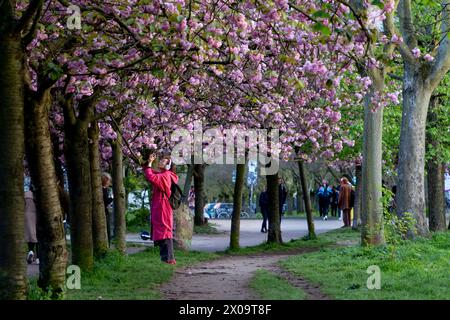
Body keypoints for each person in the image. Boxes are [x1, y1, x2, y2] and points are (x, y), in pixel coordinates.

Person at [143, 152, 179, 265]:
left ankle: (169, 259)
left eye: (163, 161)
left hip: (163, 206)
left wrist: (149, 163)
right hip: (161, 205)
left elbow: (152, 176)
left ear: (168, 165)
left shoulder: (166, 175)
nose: (160, 161)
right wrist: (147, 163)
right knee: (163, 232)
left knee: (165, 232)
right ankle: (166, 259)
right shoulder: (164, 174)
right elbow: (151, 172)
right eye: (161, 160)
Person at [25, 186, 39, 264]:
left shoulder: (26, 194)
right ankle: (38, 258)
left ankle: (31, 251)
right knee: (38, 237)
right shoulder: (40, 195)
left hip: (27, 216)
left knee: (30, 236)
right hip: (37, 215)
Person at [102, 172, 113, 245]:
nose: (109, 182)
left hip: (105, 211)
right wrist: (112, 198)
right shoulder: (103, 189)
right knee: (107, 229)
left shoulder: (104, 189)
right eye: (109, 181)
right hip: (104, 212)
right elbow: (105, 201)